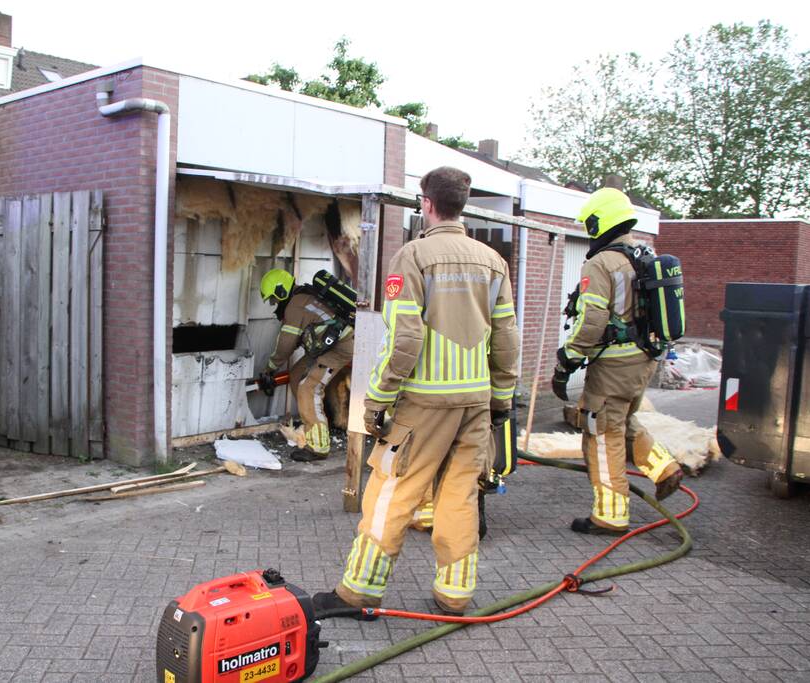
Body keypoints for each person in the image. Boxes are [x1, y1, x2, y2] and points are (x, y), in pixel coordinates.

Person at [313, 166, 519, 616]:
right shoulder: (493, 262)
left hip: (423, 405)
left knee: (391, 489)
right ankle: (454, 595)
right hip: (476, 404)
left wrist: (378, 400)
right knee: (460, 494)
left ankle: (359, 592)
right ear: (460, 205)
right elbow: (507, 339)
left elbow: (404, 341)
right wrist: (501, 398)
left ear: (426, 204)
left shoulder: (414, 256)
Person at [551, 187, 683, 535]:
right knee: (622, 420)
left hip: (613, 366)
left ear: (600, 221)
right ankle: (664, 467)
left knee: (601, 432)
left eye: (590, 224)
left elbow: (592, 319)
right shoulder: (641, 254)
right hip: (642, 360)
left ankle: (610, 515)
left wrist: (568, 358)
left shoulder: (601, 262)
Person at [259, 269, 354, 462]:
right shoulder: (304, 297)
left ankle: (317, 446)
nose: (274, 305)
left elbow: (285, 345)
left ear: (281, 292)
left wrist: (270, 368)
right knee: (297, 375)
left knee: (308, 388)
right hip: (332, 345)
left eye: (274, 300)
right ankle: (317, 420)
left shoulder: (295, 306)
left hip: (341, 348)